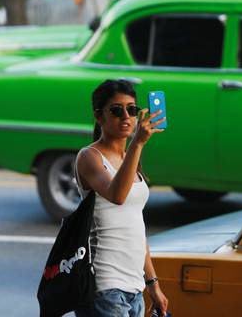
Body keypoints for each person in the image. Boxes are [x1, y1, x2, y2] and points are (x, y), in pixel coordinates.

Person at [74, 80, 168, 317]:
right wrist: (138, 142)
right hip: (105, 287)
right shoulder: (89, 157)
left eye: (132, 109)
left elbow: (136, 226)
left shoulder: (129, 158)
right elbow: (117, 195)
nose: (126, 116)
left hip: (134, 287)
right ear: (99, 116)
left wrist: (153, 284)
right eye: (116, 110)